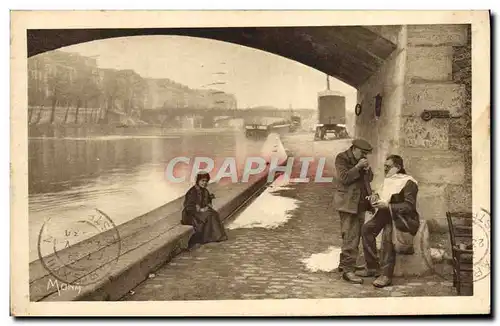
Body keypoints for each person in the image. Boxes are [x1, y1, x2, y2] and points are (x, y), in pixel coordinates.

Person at [356, 155, 420, 288]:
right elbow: (384, 196)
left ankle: (386, 275)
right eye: (384, 166)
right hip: (387, 212)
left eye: (388, 167)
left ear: (398, 167)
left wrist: (388, 206)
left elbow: (409, 206)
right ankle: (372, 267)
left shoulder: (409, 182)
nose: (385, 169)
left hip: (403, 218)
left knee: (387, 235)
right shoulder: (390, 180)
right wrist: (375, 198)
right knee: (367, 229)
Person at [334, 138, 374, 284]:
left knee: (354, 235)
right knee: (350, 236)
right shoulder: (342, 158)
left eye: (366, 154)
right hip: (348, 204)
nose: (364, 157)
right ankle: (348, 271)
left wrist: (367, 170)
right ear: (354, 149)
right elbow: (344, 178)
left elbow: (369, 179)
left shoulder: (361, 160)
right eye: (362, 153)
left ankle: (345, 265)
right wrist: (357, 167)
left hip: (361, 203)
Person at [181, 172, 228, 248]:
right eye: (202, 181)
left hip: (200, 212)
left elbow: (206, 201)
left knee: (214, 213)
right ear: (198, 181)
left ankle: (215, 236)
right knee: (208, 215)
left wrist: (208, 203)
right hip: (190, 214)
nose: (204, 183)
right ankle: (208, 238)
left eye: (206, 181)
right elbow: (188, 206)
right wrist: (200, 209)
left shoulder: (205, 191)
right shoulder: (192, 191)